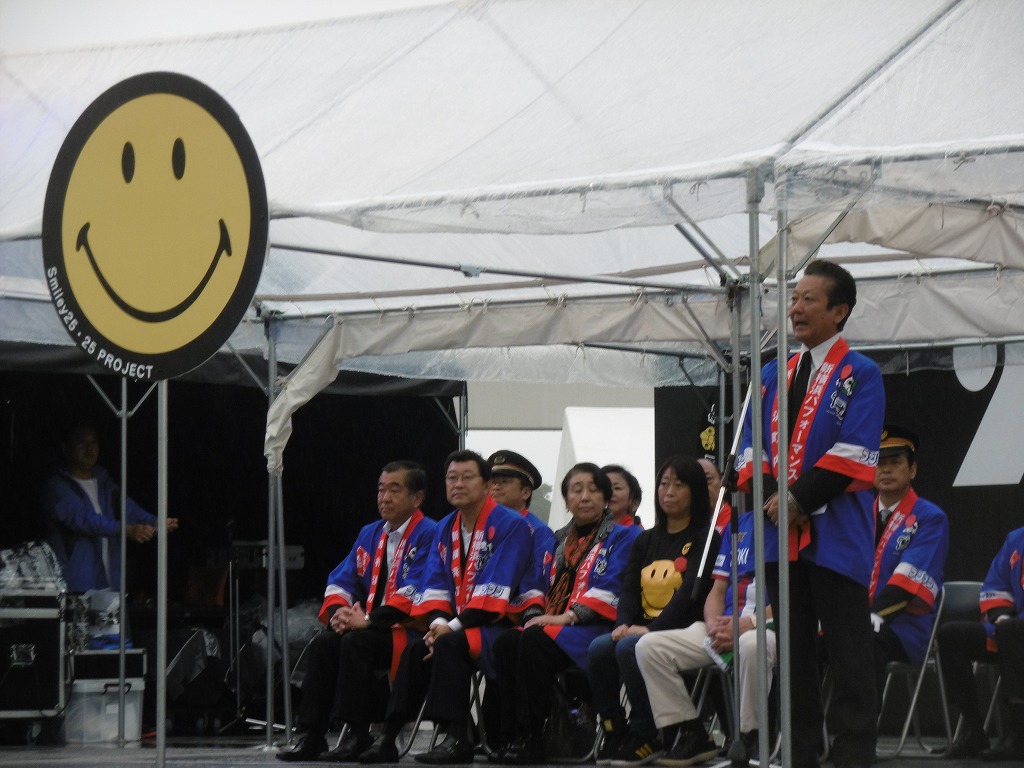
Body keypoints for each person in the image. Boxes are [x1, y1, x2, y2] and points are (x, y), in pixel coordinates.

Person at [737, 258, 885, 768]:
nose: (796, 309)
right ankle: (799, 755)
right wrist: (777, 498)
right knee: (794, 657)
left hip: (837, 534)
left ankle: (851, 757)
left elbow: (855, 452)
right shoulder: (775, 372)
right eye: (794, 299)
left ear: (839, 311)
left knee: (848, 656)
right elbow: (750, 449)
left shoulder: (860, 373)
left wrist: (797, 498)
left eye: (808, 300)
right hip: (781, 536)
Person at [359, 450, 545, 764]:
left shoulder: (511, 525)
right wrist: (437, 624)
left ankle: (457, 738)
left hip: (500, 623)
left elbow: (493, 596)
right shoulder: (445, 527)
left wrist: (448, 628)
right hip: (460, 625)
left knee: (449, 644)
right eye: (451, 478)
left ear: (486, 486)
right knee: (417, 650)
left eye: (467, 477)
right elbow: (434, 587)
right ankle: (389, 735)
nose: (457, 484)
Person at [277, 460, 437, 762]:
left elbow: (418, 589)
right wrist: (340, 614)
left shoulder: (431, 533)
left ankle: (357, 732)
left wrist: (367, 620)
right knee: (324, 641)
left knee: (355, 642)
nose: (384, 498)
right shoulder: (370, 532)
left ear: (417, 499)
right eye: (380, 490)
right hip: (367, 626)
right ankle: (312, 735)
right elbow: (342, 578)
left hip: (410, 629)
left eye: (394, 490)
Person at [491, 463, 640, 763]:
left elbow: (616, 586)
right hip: (551, 625)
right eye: (576, 490)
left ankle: (530, 736)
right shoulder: (555, 539)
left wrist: (567, 617)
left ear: (605, 498)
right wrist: (535, 613)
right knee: (507, 642)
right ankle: (507, 736)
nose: (585, 496)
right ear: (566, 500)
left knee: (533, 642)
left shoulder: (623, 537)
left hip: (594, 628)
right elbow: (533, 583)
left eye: (593, 489)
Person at [586, 455, 721, 766]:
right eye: (663, 484)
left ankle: (648, 733)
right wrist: (622, 623)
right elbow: (630, 589)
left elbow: (690, 593)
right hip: (641, 627)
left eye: (679, 485)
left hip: (682, 628)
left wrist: (651, 629)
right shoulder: (646, 539)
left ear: (696, 492)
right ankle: (614, 730)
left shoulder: (706, 537)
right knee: (600, 649)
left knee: (631, 647)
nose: (669, 491)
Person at [635, 509, 775, 766]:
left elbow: (797, 594)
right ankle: (691, 731)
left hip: (771, 625)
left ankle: (749, 736)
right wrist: (712, 626)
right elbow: (717, 590)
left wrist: (747, 624)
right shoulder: (738, 524)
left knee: (750, 643)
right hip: (725, 625)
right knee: (649, 646)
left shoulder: (793, 519)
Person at [41, 422, 178, 593]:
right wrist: (124, 529)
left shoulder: (104, 482)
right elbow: (83, 520)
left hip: (111, 582)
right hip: (76, 584)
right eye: (81, 442)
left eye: (93, 442)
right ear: (66, 448)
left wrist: (155, 521)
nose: (89, 448)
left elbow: (127, 508)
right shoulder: (57, 486)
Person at [869, 425, 949, 716]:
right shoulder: (858, 514)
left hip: (902, 628)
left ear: (912, 470)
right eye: (879, 463)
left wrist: (872, 616)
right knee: (803, 642)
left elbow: (907, 582)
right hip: (859, 621)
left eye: (895, 463)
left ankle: (860, 741)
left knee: (864, 641)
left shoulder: (930, 518)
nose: (886, 470)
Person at [937, 526, 1024, 761]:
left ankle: (1018, 734)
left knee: (1010, 630)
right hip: (1012, 631)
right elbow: (996, 586)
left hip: (1015, 632)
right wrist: (1002, 615)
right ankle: (974, 732)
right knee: (951, 635)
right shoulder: (1017, 539)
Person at [698, 458, 731, 535]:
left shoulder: (735, 524)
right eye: (695, 481)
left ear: (722, 482)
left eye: (708, 479)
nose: (702, 486)